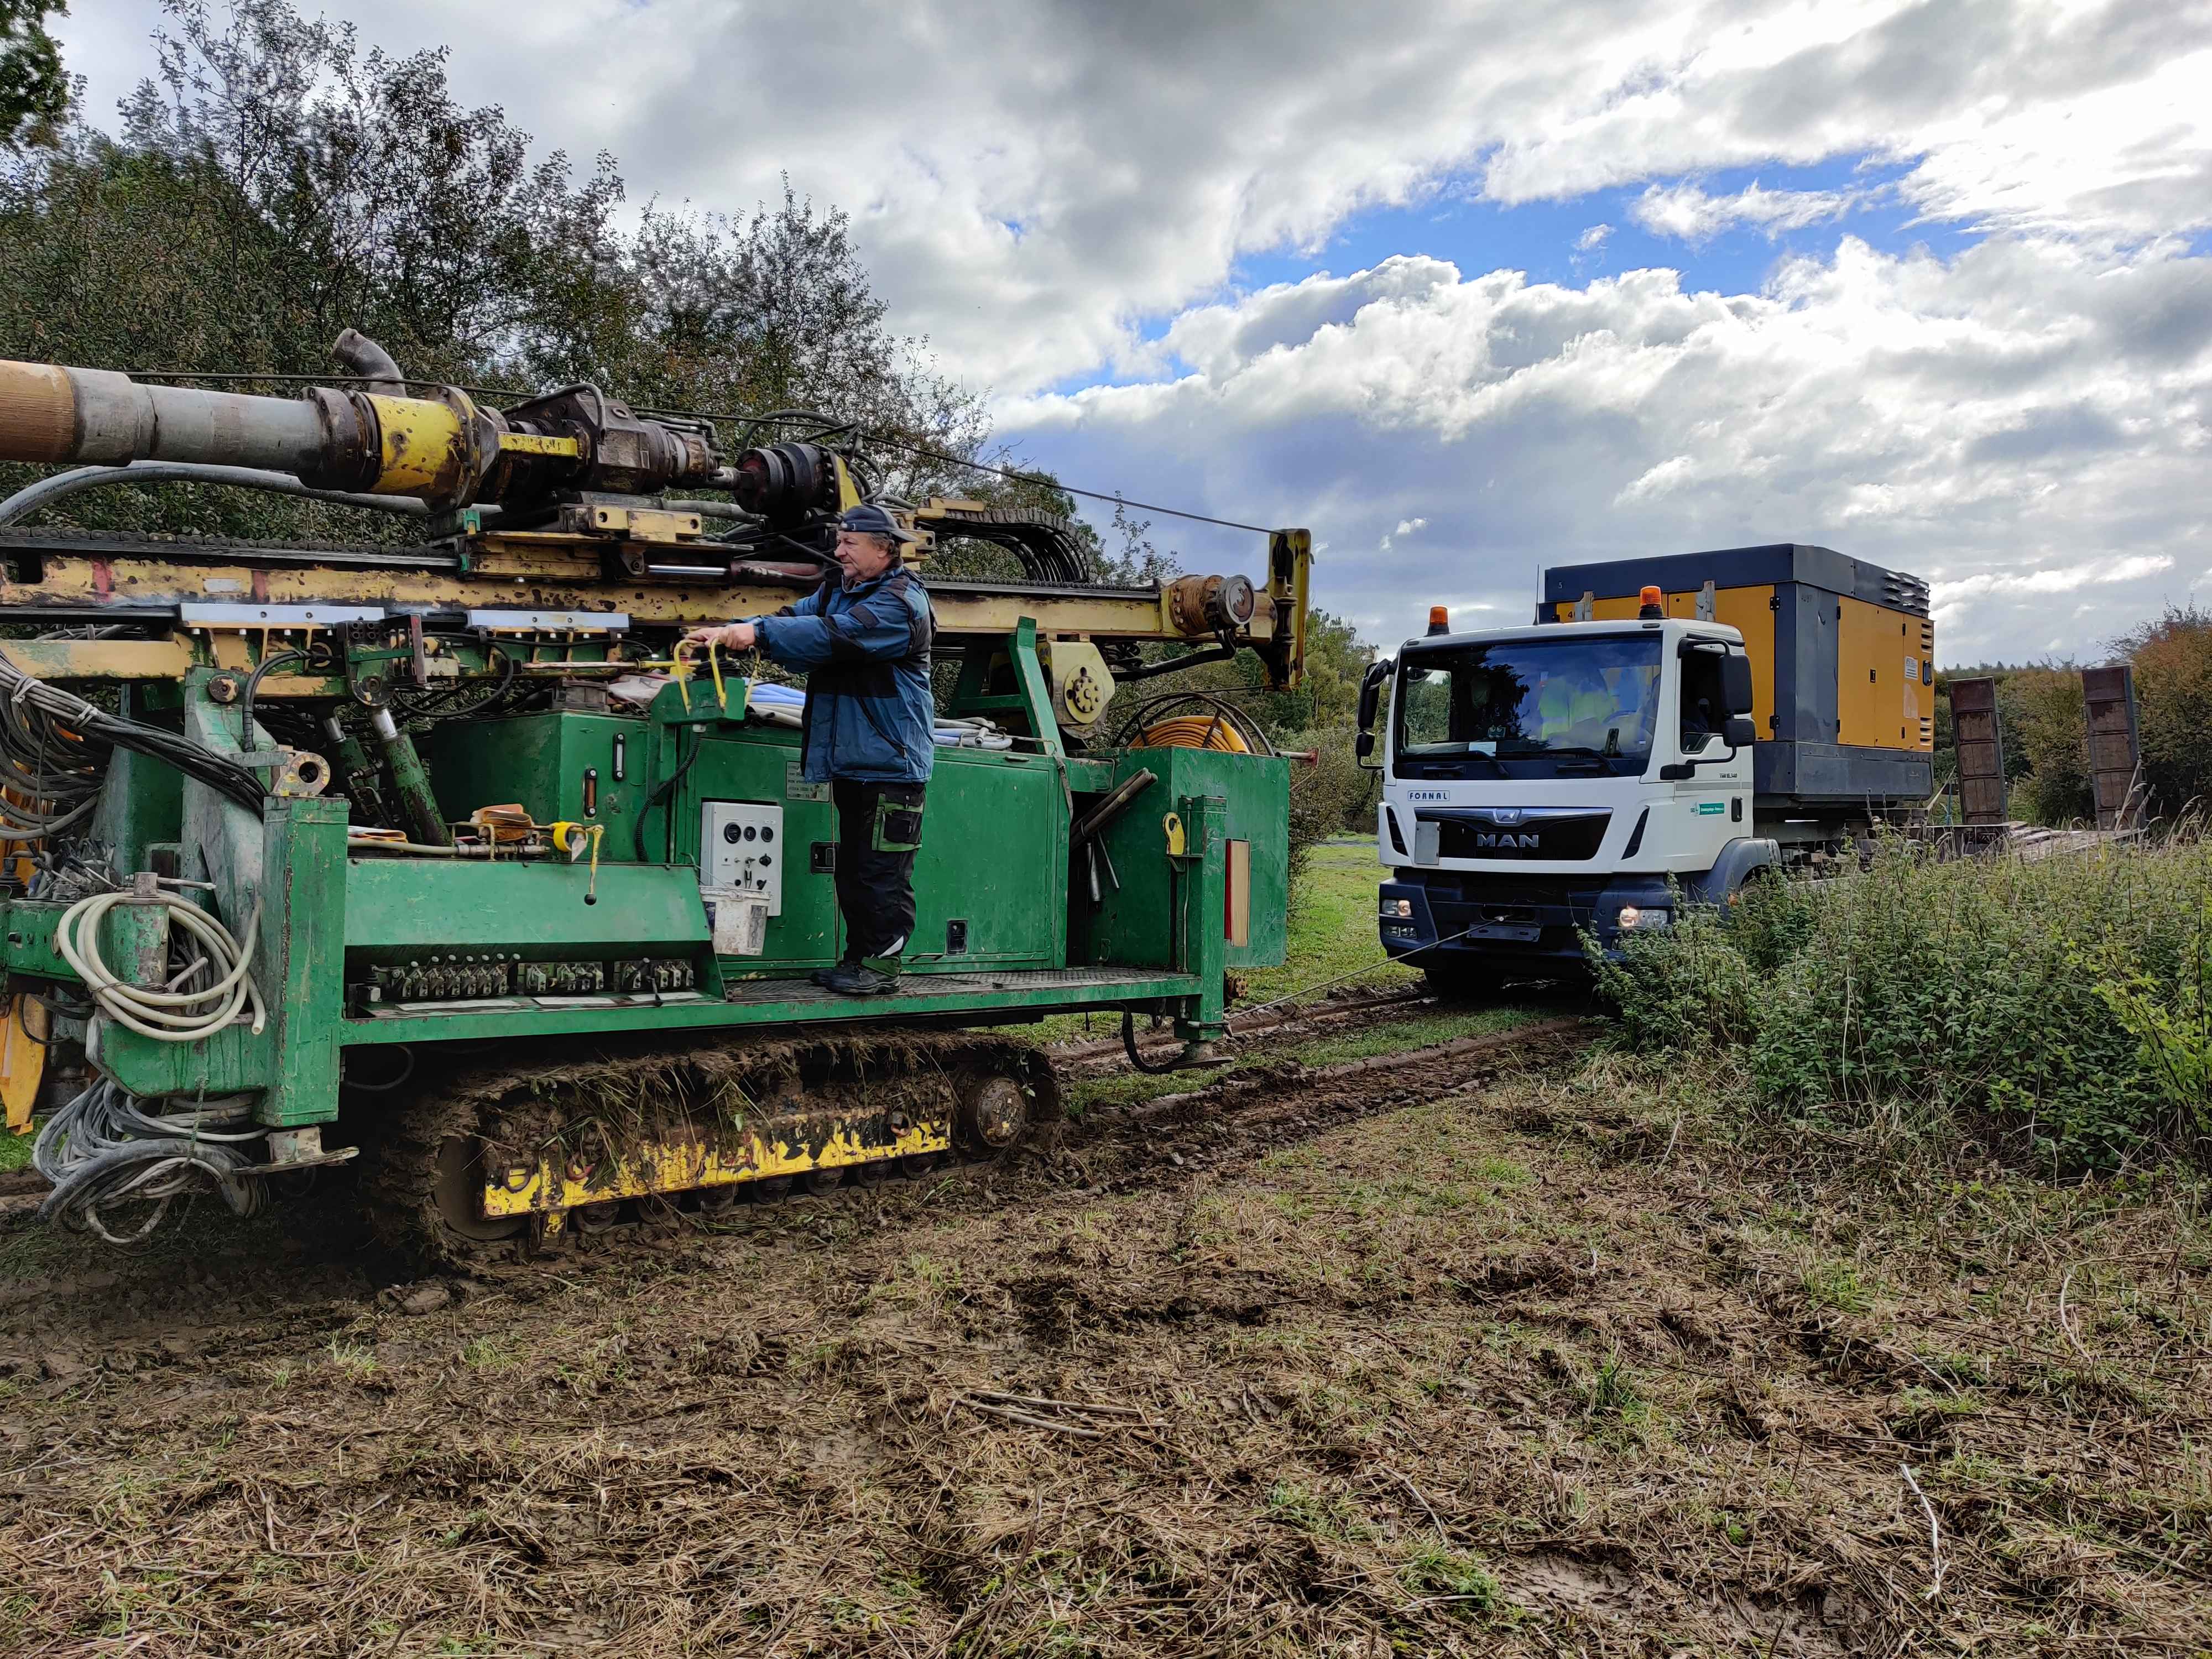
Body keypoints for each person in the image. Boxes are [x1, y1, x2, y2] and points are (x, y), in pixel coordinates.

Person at [685, 504, 934, 996]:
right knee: (855, 870)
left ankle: (880, 969)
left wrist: (756, 634)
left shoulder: (901, 604)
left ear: (884, 550)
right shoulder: (838, 591)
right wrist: (732, 631)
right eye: (839, 541)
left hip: (892, 765)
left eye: (850, 543)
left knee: (881, 873)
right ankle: (857, 961)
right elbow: (791, 619)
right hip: (856, 763)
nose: (838, 550)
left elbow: (833, 635)